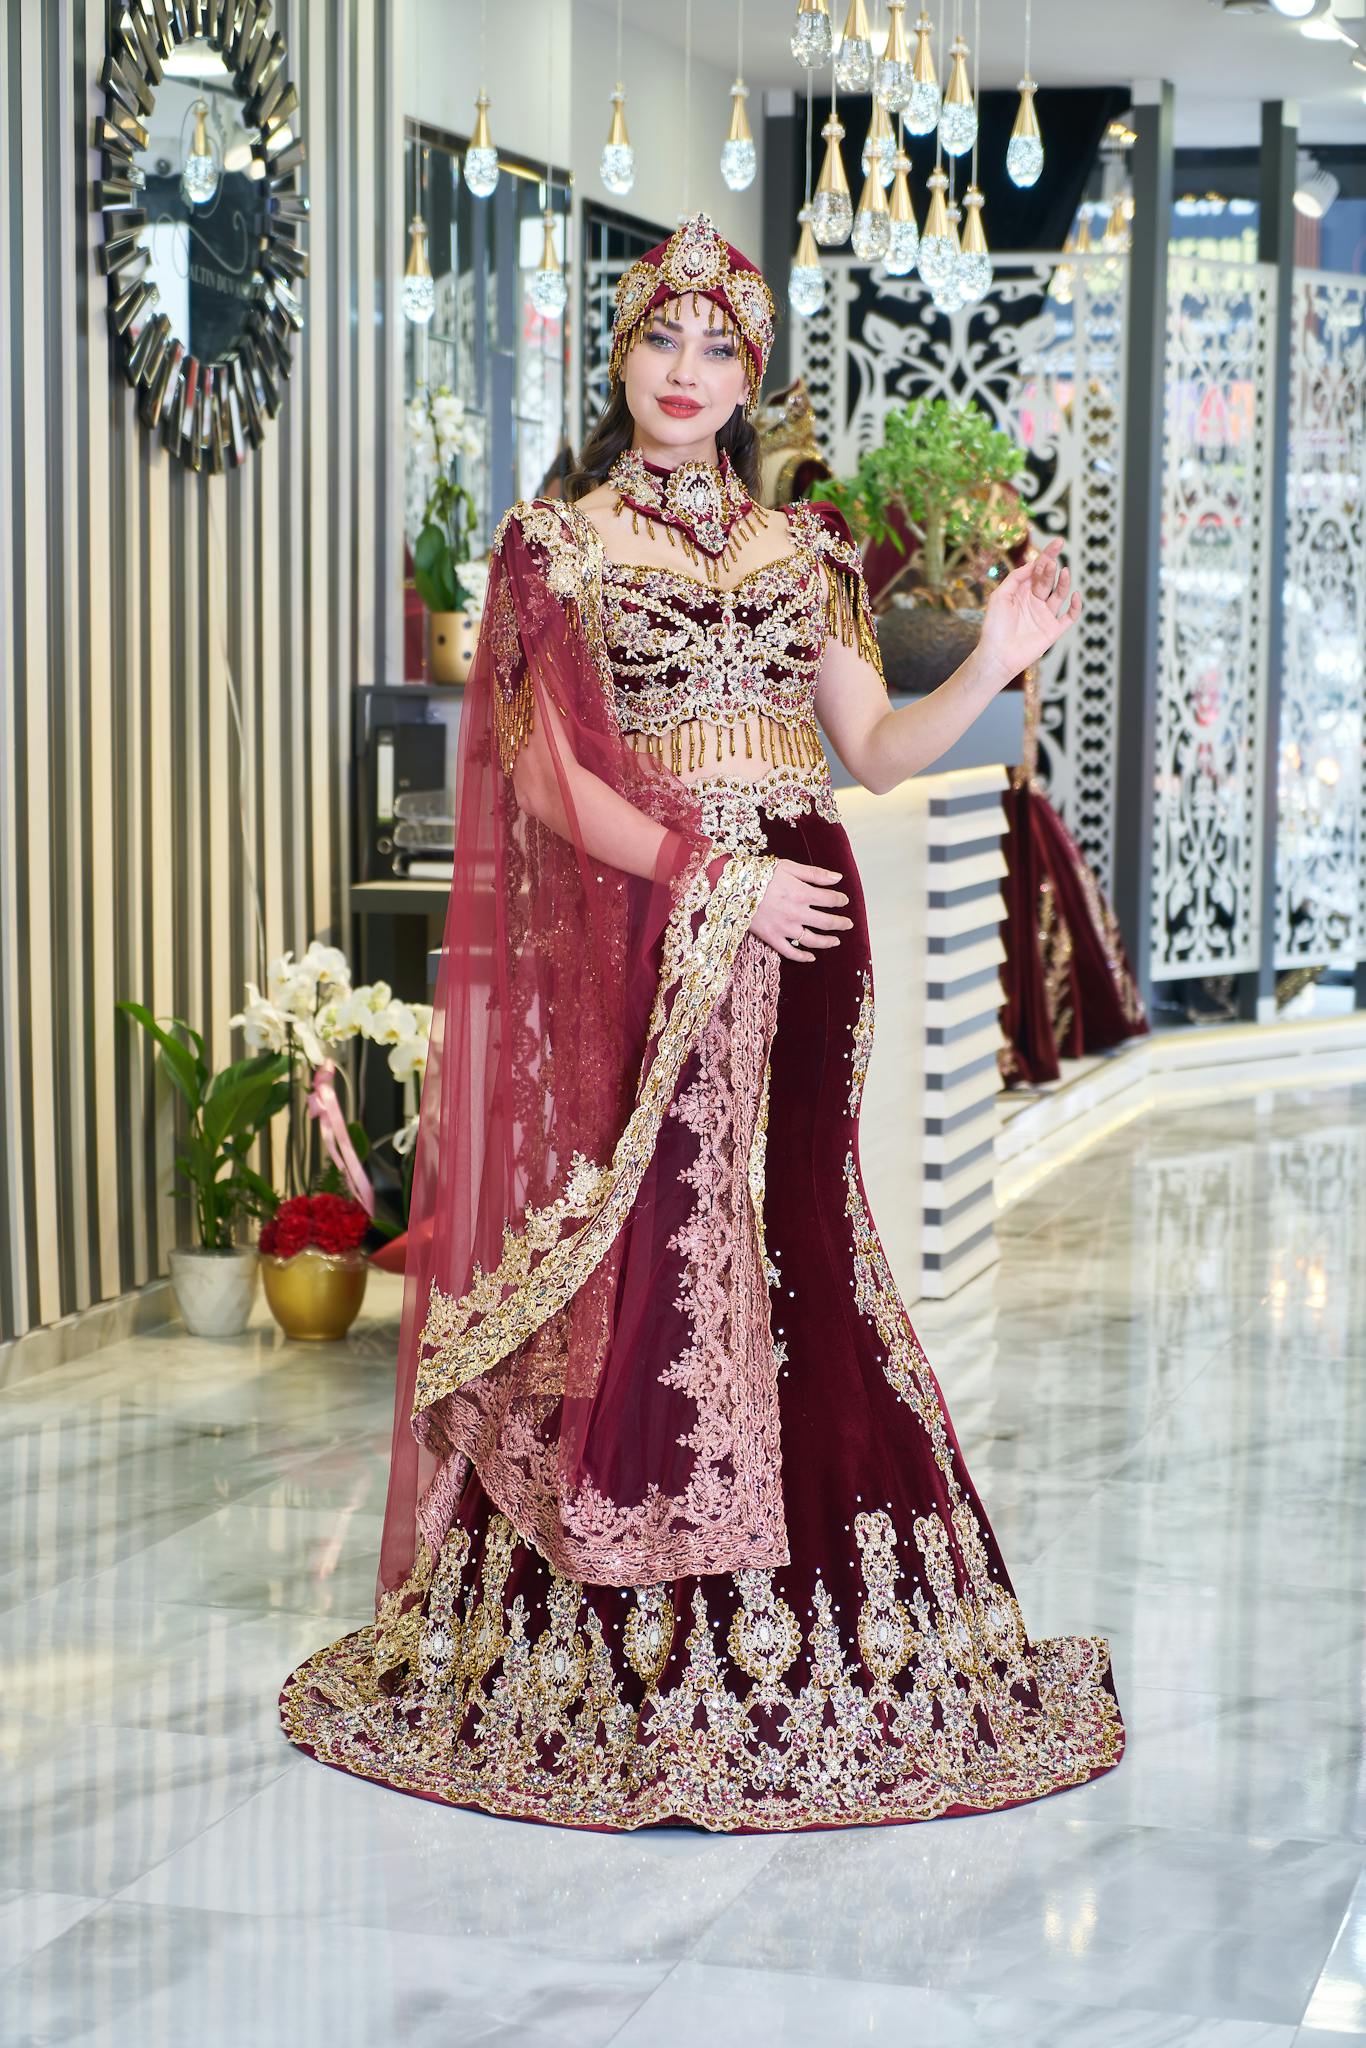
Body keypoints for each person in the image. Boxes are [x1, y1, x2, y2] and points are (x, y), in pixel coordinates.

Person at [279, 212, 1124, 1830]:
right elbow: (547, 782)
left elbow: (871, 755)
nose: (686, 372)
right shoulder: (557, 547)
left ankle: (842, 1629)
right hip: (671, 924)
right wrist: (706, 880)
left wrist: (998, 660)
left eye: (719, 348)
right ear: (620, 354)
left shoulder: (803, 549)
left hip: (809, 925)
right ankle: (631, 1651)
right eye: (662, 339)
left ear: (752, 375)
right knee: (663, 1236)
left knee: (805, 1229)